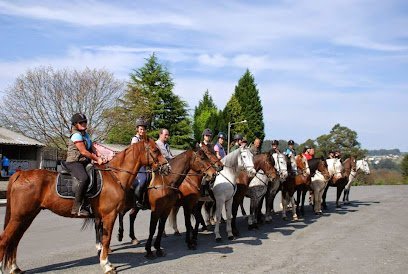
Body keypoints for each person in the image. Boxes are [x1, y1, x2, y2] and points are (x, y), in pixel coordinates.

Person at [66, 113, 105, 217]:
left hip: (84, 162)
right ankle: (77, 207)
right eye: (81, 122)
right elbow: (83, 151)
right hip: (74, 162)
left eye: (85, 122)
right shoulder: (76, 135)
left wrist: (101, 156)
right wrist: (96, 159)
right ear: (75, 124)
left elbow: (92, 148)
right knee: (84, 178)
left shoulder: (86, 135)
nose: (84, 124)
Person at [131, 118, 150, 209]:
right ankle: (137, 200)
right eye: (141, 129)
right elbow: (134, 154)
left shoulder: (145, 140)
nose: (143, 131)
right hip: (137, 165)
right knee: (143, 180)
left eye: (144, 129)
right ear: (137, 129)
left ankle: (146, 199)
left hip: (145, 164)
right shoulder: (135, 139)